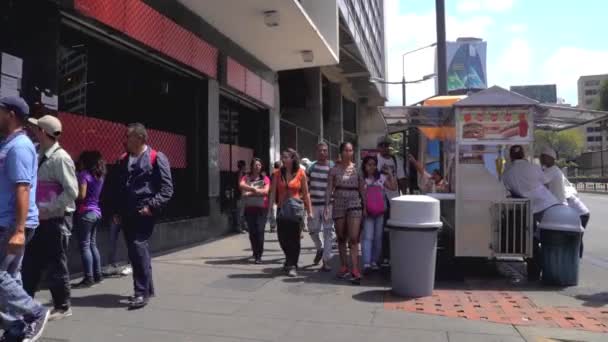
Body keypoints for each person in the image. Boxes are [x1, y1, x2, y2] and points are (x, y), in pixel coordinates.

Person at [108, 123, 173, 309]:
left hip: (145, 211)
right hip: (127, 212)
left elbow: (167, 189)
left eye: (128, 136)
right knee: (136, 251)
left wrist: (151, 206)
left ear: (139, 138)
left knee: (138, 247)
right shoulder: (123, 159)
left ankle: (140, 292)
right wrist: (117, 212)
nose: (125, 140)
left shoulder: (156, 157)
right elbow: (119, 189)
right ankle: (148, 289)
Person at [0, 96, 50, 341]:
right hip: (9, 222)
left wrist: (19, 230)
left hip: (11, 224)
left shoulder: (19, 146)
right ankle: (15, 329)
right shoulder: (9, 144)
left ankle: (34, 312)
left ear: (10, 114)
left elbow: (23, 188)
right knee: (10, 278)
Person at [23, 115, 78, 321]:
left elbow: (71, 191)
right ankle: (25, 302)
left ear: (44, 133)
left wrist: (50, 208)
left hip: (55, 219)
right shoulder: (39, 153)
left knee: (56, 262)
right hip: (39, 218)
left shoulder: (60, 158)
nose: (33, 131)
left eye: (37, 128)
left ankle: (63, 306)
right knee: (31, 262)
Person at [503, 145, 560, 280]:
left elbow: (508, 190)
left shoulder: (507, 174)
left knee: (531, 239)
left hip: (528, 210)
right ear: (523, 155)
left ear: (510, 157)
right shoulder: (533, 167)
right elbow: (546, 183)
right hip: (548, 205)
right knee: (551, 238)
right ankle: (551, 266)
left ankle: (535, 269)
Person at [325, 142, 365, 284]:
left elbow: (362, 189)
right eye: (346, 150)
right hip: (338, 203)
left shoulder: (358, 169)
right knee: (341, 237)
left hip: (354, 202)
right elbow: (329, 189)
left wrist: (365, 206)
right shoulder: (333, 170)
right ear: (341, 152)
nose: (349, 153)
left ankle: (355, 269)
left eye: (351, 150)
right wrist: (326, 206)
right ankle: (344, 266)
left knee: (354, 238)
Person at [269, 148, 312, 277]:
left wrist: (309, 212)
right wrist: (270, 209)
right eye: (282, 157)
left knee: (294, 239)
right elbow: (272, 192)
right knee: (282, 238)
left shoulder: (301, 173)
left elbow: (306, 193)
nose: (283, 159)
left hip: (296, 210)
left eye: (286, 157)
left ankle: (292, 264)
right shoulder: (277, 173)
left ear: (293, 159)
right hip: (282, 209)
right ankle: (289, 259)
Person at [73, 151, 106, 288]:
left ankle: (88, 278)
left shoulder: (84, 175)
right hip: (96, 212)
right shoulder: (99, 176)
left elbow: (82, 195)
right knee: (92, 244)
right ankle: (98, 275)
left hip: (85, 212)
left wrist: (69, 195)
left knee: (85, 245)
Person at [361, 156, 397, 274]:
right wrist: (364, 209)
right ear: (364, 166)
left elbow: (393, 187)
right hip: (369, 212)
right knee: (368, 237)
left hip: (380, 212)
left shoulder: (380, 178)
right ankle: (367, 262)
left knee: (378, 238)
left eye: (373, 164)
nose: (372, 167)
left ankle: (374, 261)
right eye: (369, 164)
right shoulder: (362, 179)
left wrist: (390, 174)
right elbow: (362, 196)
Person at [306, 142, 335, 271]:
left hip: (328, 206)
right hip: (313, 205)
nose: (322, 152)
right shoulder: (310, 167)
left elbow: (335, 184)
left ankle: (326, 260)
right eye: (320, 150)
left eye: (325, 150)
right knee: (313, 230)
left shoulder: (332, 166)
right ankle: (319, 248)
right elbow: (305, 186)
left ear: (327, 152)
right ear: (316, 152)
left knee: (328, 233)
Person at [239, 158, 270, 264]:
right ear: (252, 166)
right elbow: (241, 186)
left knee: (260, 231)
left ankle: (259, 255)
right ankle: (255, 251)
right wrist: (254, 190)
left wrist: (250, 192)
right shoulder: (246, 177)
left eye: (259, 165)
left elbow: (265, 191)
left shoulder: (264, 178)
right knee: (252, 232)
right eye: (255, 165)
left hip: (262, 208)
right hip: (250, 208)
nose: (257, 166)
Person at [233, 160, 248, 233]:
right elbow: (240, 185)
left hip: (241, 194)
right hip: (240, 195)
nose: (245, 167)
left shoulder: (240, 173)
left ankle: (243, 226)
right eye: (244, 166)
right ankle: (239, 227)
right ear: (243, 166)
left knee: (242, 211)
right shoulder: (240, 173)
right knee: (240, 211)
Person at [268, 161, 281, 233]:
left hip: (273, 193)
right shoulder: (277, 173)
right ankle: (277, 225)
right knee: (278, 210)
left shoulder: (273, 173)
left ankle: (273, 226)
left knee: (272, 210)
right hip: (277, 193)